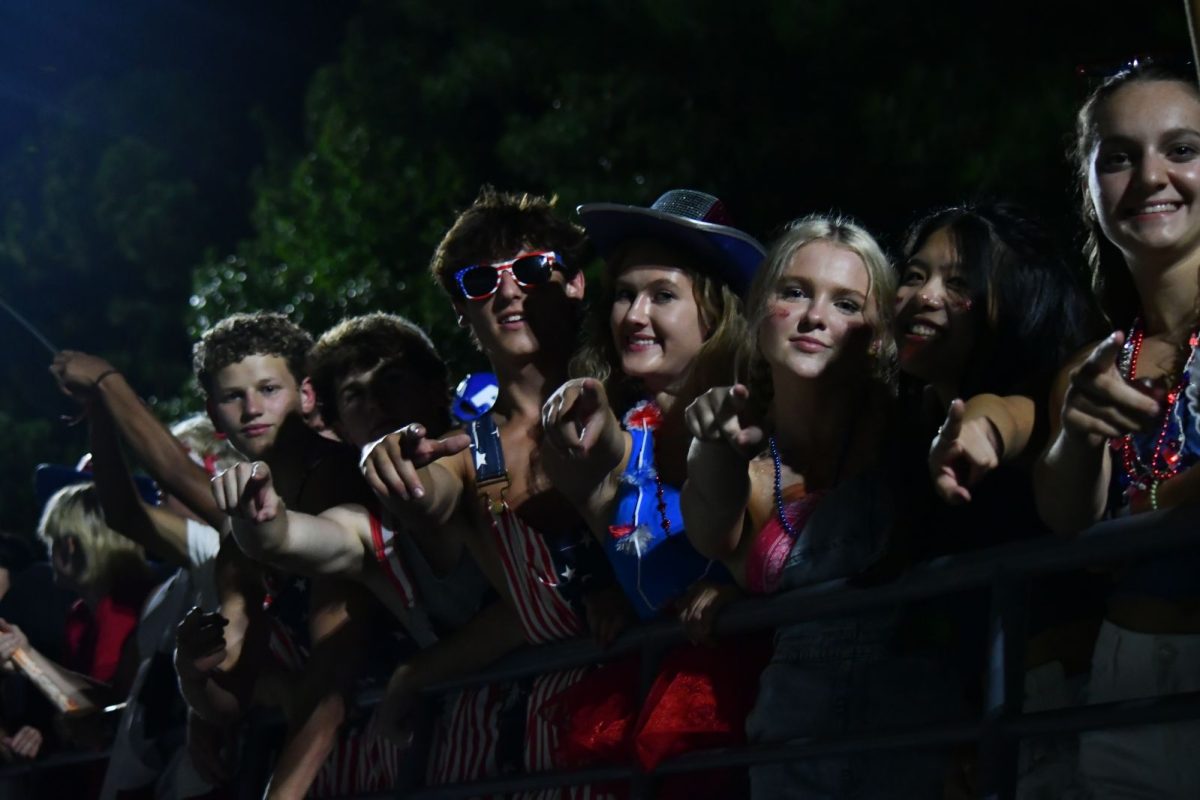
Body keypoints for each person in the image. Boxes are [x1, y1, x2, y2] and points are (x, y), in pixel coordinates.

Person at [359, 187, 627, 793]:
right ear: (463, 310)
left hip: (656, 720)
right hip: (547, 748)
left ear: (575, 283)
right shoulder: (469, 451)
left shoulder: (633, 396)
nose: (508, 291)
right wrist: (387, 458)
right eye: (480, 281)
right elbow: (424, 493)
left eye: (531, 269)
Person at [682, 214, 949, 798]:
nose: (814, 318)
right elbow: (709, 531)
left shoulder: (916, 423)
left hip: (920, 754)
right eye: (795, 292)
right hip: (792, 760)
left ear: (878, 333)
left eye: (847, 303)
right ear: (758, 314)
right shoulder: (744, 460)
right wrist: (711, 447)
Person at [540, 190, 767, 790]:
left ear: (715, 314)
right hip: (649, 711)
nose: (634, 315)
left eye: (662, 295)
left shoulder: (758, 418)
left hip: (746, 712)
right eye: (623, 294)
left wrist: (741, 601)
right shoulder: (616, 436)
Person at [893, 203, 1103, 796]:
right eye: (913, 274)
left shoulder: (1047, 402)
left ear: (1012, 303)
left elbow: (1010, 419)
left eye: (958, 283)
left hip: (1062, 706)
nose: (923, 295)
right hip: (986, 718)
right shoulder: (909, 424)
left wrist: (981, 430)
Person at [1035, 57, 1200, 799]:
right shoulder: (1093, 366)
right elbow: (1065, 520)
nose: (1152, 176)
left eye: (1183, 150)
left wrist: (1156, 506)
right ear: (1090, 188)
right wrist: (1077, 433)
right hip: (1127, 679)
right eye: (1120, 158)